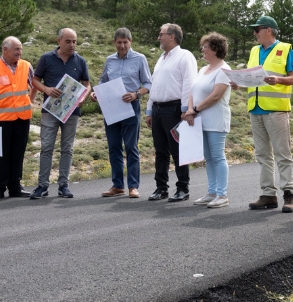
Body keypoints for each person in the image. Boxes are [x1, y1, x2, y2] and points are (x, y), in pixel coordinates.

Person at [239, 15, 293, 213]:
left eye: (257, 29)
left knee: (282, 153)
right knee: (263, 154)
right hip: (255, 108)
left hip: (276, 108)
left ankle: (289, 194)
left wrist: (278, 80)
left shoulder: (286, 49)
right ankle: (268, 194)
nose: (254, 33)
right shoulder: (254, 51)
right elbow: (251, 77)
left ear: (269, 30)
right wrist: (238, 82)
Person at [30, 28, 91, 199]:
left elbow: (87, 84)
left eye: (74, 41)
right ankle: (42, 185)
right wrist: (46, 90)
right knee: (46, 147)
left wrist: (83, 97)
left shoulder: (80, 61)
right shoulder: (46, 59)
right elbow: (35, 80)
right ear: (59, 41)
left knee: (67, 148)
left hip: (72, 112)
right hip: (50, 111)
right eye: (68, 41)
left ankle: (63, 185)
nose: (72, 45)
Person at [92, 28, 152, 199]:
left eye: (125, 42)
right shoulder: (109, 60)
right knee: (114, 147)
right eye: (119, 42)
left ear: (130, 42)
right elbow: (103, 80)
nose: (122, 45)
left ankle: (133, 186)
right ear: (114, 43)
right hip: (111, 107)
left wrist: (136, 94)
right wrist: (97, 92)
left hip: (131, 107)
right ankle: (118, 185)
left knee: (131, 147)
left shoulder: (140, 59)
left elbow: (149, 83)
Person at [145, 23, 197, 202]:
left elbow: (189, 84)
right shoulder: (162, 58)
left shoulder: (185, 56)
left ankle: (183, 188)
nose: (159, 37)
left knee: (178, 150)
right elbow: (154, 84)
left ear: (172, 36)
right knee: (160, 151)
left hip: (174, 109)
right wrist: (149, 110)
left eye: (161, 34)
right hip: (159, 108)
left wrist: (185, 109)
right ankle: (161, 188)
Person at [183, 32, 231, 209]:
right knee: (209, 158)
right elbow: (192, 91)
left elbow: (216, 96)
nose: (202, 49)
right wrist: (189, 109)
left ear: (215, 49)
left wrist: (194, 110)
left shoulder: (224, 70)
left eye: (205, 47)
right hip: (200, 119)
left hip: (216, 120)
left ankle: (222, 194)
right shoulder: (203, 70)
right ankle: (212, 191)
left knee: (218, 156)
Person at [0, 36, 33, 198]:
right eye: (16, 49)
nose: (20, 52)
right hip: (2, 121)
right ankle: (0, 187)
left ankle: (15, 186)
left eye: (20, 48)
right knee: (1, 154)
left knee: (18, 153)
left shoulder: (26, 66)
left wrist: (31, 101)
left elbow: (35, 84)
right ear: (5, 50)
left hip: (22, 118)